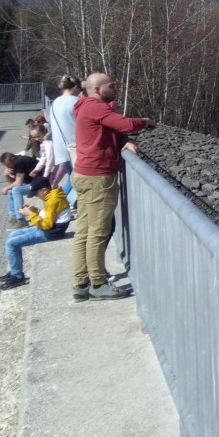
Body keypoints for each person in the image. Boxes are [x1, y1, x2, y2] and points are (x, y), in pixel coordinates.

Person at [70, 72, 155, 301]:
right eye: (111, 85)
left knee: (84, 231)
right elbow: (124, 123)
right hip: (98, 177)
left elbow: (110, 130)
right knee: (98, 231)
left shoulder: (84, 106)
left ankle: (81, 282)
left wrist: (122, 140)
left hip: (83, 173)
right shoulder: (96, 107)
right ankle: (97, 284)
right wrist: (145, 122)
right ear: (97, 89)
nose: (115, 87)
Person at [0, 176, 71, 290]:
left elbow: (47, 224)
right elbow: (49, 215)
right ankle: (14, 270)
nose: (37, 196)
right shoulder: (53, 196)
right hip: (48, 229)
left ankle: (17, 276)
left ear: (44, 190)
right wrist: (35, 211)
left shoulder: (53, 200)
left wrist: (30, 214)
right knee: (11, 235)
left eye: (37, 194)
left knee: (11, 243)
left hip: (51, 233)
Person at [47, 75, 81, 194]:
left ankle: (59, 202)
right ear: (76, 87)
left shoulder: (55, 103)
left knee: (71, 177)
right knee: (75, 179)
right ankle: (58, 202)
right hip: (75, 147)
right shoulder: (76, 102)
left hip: (61, 148)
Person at [0, 151, 38, 226]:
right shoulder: (16, 163)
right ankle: (14, 216)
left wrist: (5, 188)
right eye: (5, 166)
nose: (8, 167)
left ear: (13, 159)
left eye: (8, 165)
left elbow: (18, 183)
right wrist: (7, 175)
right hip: (30, 183)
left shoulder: (20, 162)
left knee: (16, 190)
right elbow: (14, 182)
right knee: (11, 191)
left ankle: (21, 219)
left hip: (39, 183)